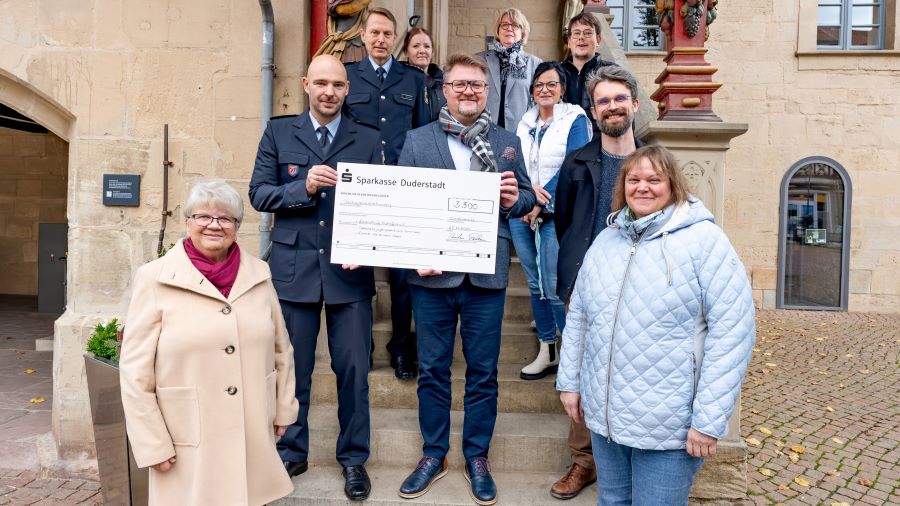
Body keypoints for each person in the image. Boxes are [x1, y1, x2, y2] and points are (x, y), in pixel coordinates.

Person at [556, 145, 756, 505]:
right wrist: (570, 382)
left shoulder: (703, 241)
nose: (642, 187)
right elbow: (580, 318)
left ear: (673, 184)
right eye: (634, 179)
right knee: (612, 501)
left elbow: (733, 332)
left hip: (669, 425)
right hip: (606, 420)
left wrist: (709, 420)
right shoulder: (606, 240)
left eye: (654, 179)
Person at [395, 53, 536, 506]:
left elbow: (528, 195)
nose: (469, 91)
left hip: (485, 277)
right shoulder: (417, 142)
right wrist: (414, 255)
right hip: (431, 279)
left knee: (483, 374)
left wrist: (517, 199)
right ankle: (434, 454)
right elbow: (402, 207)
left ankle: (477, 455)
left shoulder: (506, 140)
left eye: (477, 85)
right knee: (433, 371)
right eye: (460, 85)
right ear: (445, 90)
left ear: (487, 91)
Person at [248, 54, 381, 501]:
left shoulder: (369, 138)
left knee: (353, 370)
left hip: (351, 273)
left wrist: (367, 246)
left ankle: (354, 459)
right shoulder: (279, 131)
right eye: (321, 83)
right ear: (305, 84)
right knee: (293, 369)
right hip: (294, 269)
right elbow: (258, 194)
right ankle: (292, 449)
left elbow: (381, 205)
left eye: (338, 85)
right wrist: (301, 188)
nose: (329, 92)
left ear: (347, 90)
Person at [119, 180, 298, 506]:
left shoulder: (259, 274)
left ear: (237, 227)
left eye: (226, 218)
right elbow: (134, 371)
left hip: (250, 428)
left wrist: (284, 407)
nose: (214, 225)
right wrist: (152, 442)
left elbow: (280, 349)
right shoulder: (154, 277)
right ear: (187, 222)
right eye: (203, 216)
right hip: (185, 437)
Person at [551, 64, 644, 500]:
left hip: (642, 291)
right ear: (593, 110)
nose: (612, 107)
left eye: (619, 98)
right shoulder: (577, 163)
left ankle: (629, 457)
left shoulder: (653, 164)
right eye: (603, 101)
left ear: (634, 105)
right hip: (586, 290)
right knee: (584, 371)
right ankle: (583, 462)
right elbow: (567, 222)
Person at [344, 7, 428, 380]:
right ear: (363, 36)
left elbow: (424, 135)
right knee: (355, 272)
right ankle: (360, 346)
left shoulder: (413, 80)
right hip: (359, 192)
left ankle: (400, 350)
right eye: (374, 33)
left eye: (387, 34)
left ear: (395, 39)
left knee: (402, 278)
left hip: (402, 190)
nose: (380, 39)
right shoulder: (347, 77)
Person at [513, 61, 591, 381]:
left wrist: (541, 202)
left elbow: (575, 162)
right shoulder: (524, 122)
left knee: (556, 286)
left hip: (556, 213)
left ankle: (573, 357)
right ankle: (548, 349)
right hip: (522, 212)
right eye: (538, 85)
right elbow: (515, 162)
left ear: (561, 89)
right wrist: (527, 196)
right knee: (535, 284)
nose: (544, 90)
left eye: (551, 84)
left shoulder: (574, 118)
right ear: (532, 91)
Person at [477, 8, 542, 131]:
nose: (509, 28)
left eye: (515, 25)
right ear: (498, 30)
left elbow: (538, 102)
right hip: (485, 130)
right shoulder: (480, 60)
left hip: (520, 132)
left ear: (522, 32)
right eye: (504, 25)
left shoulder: (535, 64)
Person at [561, 12, 615, 122]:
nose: (581, 37)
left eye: (587, 33)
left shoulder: (613, 73)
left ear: (598, 40)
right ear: (569, 42)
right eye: (576, 33)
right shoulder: (556, 73)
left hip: (601, 138)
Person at [402, 27, 447, 123]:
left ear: (432, 52)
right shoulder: (396, 81)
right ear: (406, 52)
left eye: (427, 46)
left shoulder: (444, 83)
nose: (422, 50)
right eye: (416, 46)